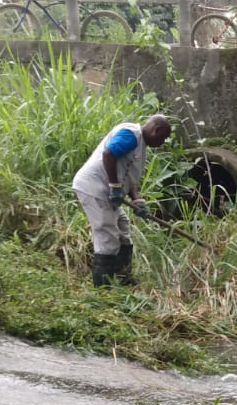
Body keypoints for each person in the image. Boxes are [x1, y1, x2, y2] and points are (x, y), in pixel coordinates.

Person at [71, 114, 171, 286]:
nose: (162, 144)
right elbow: (109, 154)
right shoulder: (131, 134)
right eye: (163, 138)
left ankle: (123, 278)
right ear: (157, 130)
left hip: (107, 192)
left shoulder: (140, 145)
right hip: (93, 187)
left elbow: (129, 177)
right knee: (107, 234)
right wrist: (114, 185)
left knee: (123, 226)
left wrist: (137, 201)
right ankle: (103, 289)